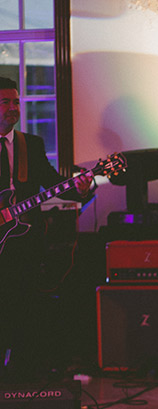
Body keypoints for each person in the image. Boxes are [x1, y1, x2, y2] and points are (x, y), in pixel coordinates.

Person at [0, 76, 94, 379]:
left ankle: (23, 379)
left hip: (24, 245)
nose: (13, 108)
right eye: (5, 102)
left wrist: (80, 188)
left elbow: (52, 183)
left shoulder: (30, 144)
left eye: (16, 102)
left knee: (25, 311)